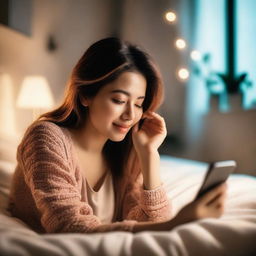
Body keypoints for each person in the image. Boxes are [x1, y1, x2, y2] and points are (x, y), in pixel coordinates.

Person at [8, 37, 227, 234]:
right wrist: (175, 223)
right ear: (85, 94)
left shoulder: (123, 151)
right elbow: (67, 226)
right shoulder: (45, 137)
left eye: (139, 104)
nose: (131, 115)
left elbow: (152, 225)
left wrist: (150, 155)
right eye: (119, 101)